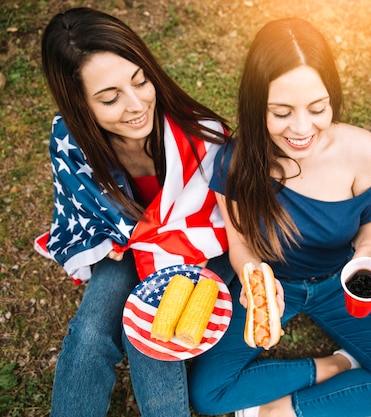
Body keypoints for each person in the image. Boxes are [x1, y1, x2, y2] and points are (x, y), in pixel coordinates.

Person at [188, 17, 371, 417]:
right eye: (281, 112)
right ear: (256, 106)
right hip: (274, 286)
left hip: (340, 285)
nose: (302, 129)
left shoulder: (362, 149)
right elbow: (241, 244)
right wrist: (253, 276)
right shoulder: (235, 162)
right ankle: (337, 365)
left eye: (317, 108)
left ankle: (281, 410)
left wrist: (368, 251)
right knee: (209, 394)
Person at [37, 7, 235, 417]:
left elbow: (229, 216)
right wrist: (104, 238)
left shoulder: (202, 135)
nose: (136, 104)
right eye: (109, 98)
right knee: (90, 334)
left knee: (148, 341)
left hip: (198, 243)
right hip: (128, 244)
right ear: (79, 105)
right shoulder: (70, 141)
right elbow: (79, 212)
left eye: (140, 80)